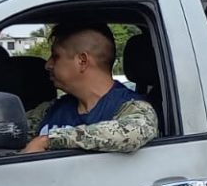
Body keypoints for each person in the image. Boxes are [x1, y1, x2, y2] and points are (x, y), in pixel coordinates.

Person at [21, 22, 158, 154]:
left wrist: (50, 140)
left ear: (82, 61)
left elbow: (133, 133)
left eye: (56, 56)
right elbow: (10, 130)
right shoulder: (49, 110)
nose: (48, 65)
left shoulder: (133, 107)